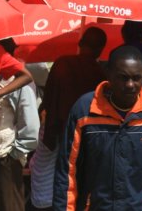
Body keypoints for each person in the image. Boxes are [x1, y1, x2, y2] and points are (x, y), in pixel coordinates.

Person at [54, 46, 142, 211]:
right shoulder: (84, 111)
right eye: (123, 77)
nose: (130, 85)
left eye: (136, 78)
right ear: (108, 74)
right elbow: (67, 171)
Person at [30, 28, 107, 211]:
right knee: (75, 180)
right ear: (101, 50)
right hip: (84, 136)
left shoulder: (62, 63)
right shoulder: (100, 74)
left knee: (43, 177)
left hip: (55, 130)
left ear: (80, 44)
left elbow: (48, 100)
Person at [0, 39, 37, 211]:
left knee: (7, 205)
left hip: (6, 158)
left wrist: (14, 154)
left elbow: (31, 127)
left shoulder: (20, 81)